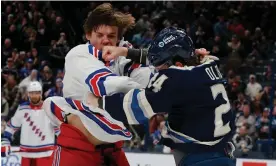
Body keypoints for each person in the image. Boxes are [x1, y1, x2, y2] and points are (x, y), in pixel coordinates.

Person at [101, 27, 236, 166]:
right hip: (223, 155)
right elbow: (168, 57)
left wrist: (98, 101)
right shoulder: (207, 63)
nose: (156, 71)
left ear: (177, 64)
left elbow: (130, 109)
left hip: (201, 160)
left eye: (160, 67)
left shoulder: (175, 80)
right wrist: (125, 52)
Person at [43, 3, 151, 166]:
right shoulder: (78, 54)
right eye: (99, 35)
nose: (105, 40)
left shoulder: (120, 55)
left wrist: (129, 53)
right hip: (77, 150)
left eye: (111, 35)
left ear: (118, 38)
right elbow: (105, 86)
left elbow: (150, 78)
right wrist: (149, 94)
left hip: (113, 149)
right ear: (88, 34)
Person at [2, 81, 56, 166]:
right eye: (32, 93)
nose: (34, 96)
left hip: (45, 153)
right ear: (28, 94)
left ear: (41, 93)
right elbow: (11, 126)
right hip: (26, 153)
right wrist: (5, 140)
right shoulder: (22, 108)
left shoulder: (49, 107)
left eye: (37, 93)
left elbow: (59, 129)